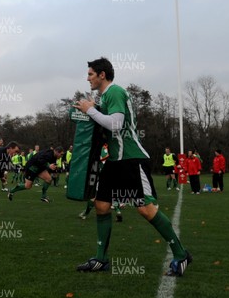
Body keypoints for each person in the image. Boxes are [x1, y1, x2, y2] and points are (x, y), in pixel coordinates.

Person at [73, 57, 191, 276]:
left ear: (102, 75)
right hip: (115, 161)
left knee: (145, 209)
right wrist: (90, 110)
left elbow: (116, 123)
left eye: (90, 74)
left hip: (131, 159)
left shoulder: (115, 91)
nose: (87, 78)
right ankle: (101, 259)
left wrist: (91, 110)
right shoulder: (105, 97)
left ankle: (181, 254)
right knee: (101, 205)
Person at [79, 143, 123, 222]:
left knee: (94, 195)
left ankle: (85, 214)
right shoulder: (115, 147)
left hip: (104, 174)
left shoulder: (103, 147)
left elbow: (102, 162)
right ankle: (118, 211)